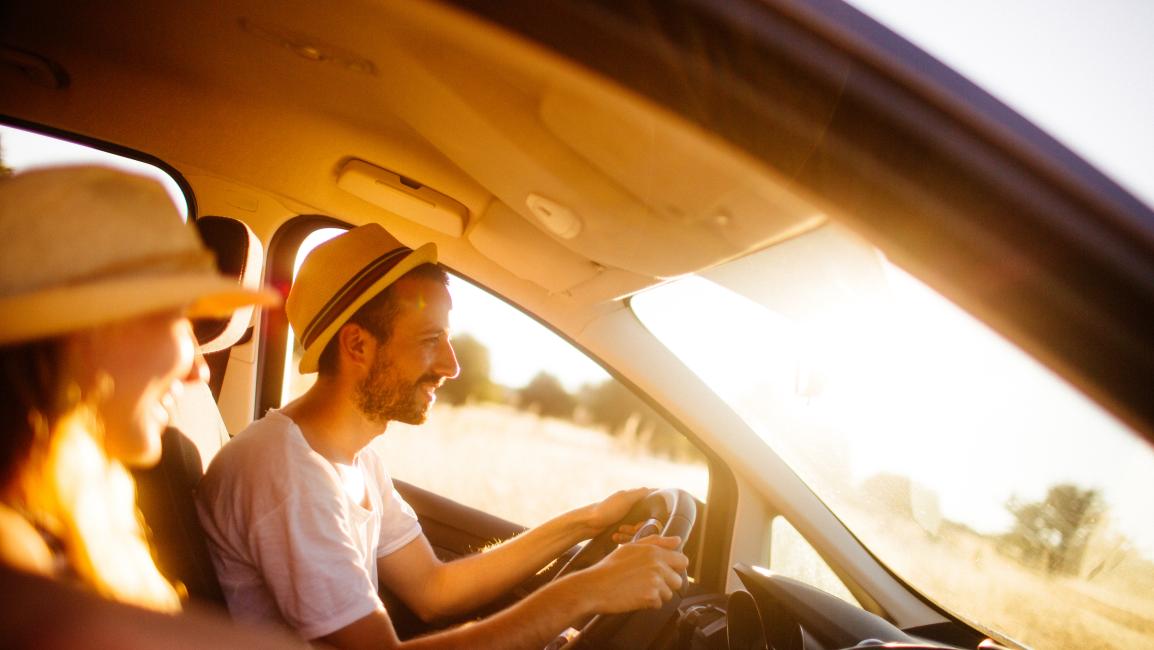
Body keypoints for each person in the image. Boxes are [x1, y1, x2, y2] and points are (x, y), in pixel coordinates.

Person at [197, 223, 689, 649]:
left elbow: (434, 590)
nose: (451, 366)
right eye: (431, 341)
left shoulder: (352, 459)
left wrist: (586, 522)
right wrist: (585, 592)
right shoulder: (288, 476)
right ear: (358, 344)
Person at [0, 165, 304, 647]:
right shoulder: (14, 556)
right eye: (179, 321)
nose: (198, 371)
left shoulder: (89, 500)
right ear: (88, 331)